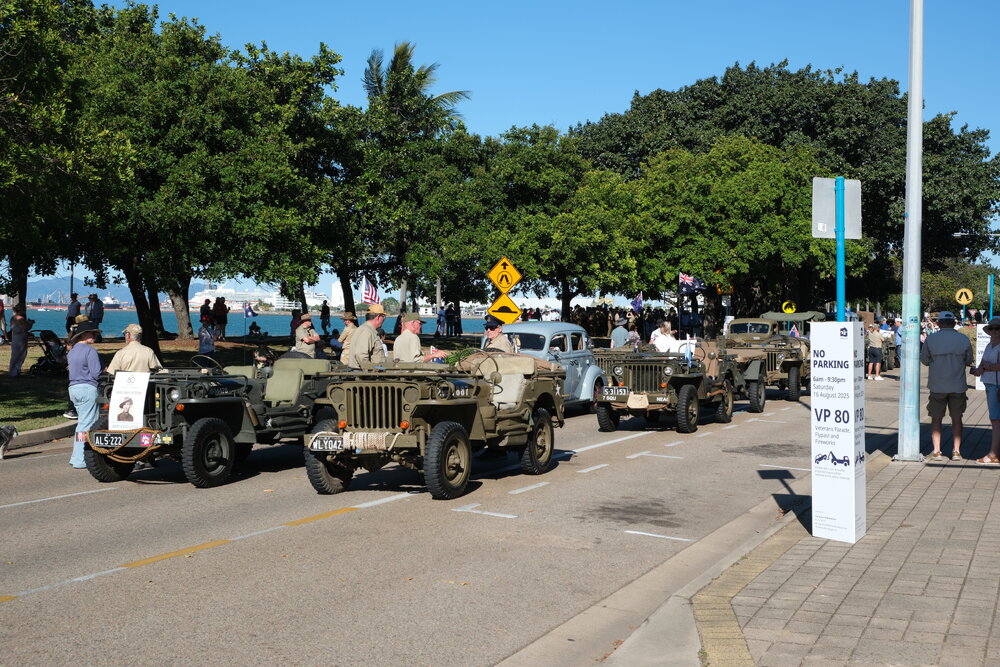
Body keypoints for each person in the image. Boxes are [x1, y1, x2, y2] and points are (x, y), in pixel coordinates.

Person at [920, 311, 973, 461]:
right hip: (958, 385)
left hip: (937, 386)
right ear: (954, 323)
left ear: (939, 323)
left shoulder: (931, 339)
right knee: (957, 418)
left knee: (936, 418)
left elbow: (924, 360)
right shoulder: (963, 339)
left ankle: (937, 451)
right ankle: (956, 451)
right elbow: (969, 361)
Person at [67, 326, 102, 469]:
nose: (93, 335)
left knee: (82, 423)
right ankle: (80, 459)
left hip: (73, 388)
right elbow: (96, 373)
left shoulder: (72, 351)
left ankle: (77, 456)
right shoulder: (90, 351)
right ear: (82, 335)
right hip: (87, 388)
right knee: (87, 425)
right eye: (90, 332)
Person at [973, 317, 1000, 465]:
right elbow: (983, 362)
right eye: (992, 328)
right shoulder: (990, 345)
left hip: (997, 385)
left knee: (996, 420)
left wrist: (986, 367)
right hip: (990, 383)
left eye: (997, 328)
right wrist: (979, 369)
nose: (994, 331)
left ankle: (993, 454)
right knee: (995, 419)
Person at [348, 304, 387, 368]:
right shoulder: (367, 331)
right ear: (378, 317)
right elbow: (360, 355)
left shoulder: (366, 329)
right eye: (384, 317)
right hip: (366, 375)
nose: (384, 320)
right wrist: (371, 370)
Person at [7, 306, 32, 377]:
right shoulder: (21, 319)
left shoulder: (13, 318)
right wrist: (30, 323)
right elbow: (26, 328)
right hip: (21, 338)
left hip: (15, 338)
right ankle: (15, 371)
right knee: (21, 355)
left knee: (14, 354)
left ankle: (12, 371)